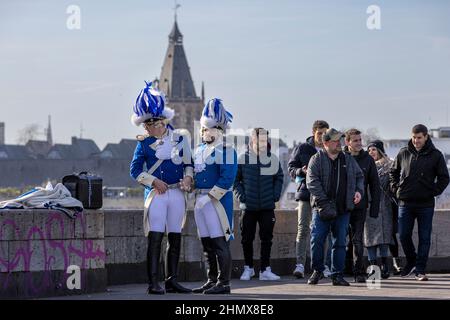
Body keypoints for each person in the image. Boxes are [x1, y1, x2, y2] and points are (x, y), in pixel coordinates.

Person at [130, 81, 193, 295]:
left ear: (160, 122)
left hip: (176, 193)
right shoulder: (144, 144)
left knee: (174, 237)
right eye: (146, 126)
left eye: (150, 125)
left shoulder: (180, 139)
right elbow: (135, 170)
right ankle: (153, 282)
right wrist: (152, 181)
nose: (147, 128)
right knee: (155, 238)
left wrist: (188, 179)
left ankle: (171, 280)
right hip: (156, 194)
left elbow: (189, 164)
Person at [389, 124, 449, 281]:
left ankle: (420, 270)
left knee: (425, 238)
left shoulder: (436, 155)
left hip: (426, 204)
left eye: (419, 138)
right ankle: (412, 260)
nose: (416, 141)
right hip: (405, 202)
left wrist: (434, 191)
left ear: (426, 137)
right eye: (414, 137)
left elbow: (444, 177)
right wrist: (396, 189)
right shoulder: (403, 153)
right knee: (403, 235)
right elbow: (393, 173)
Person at [191, 98, 238, 294]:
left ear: (218, 130)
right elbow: (197, 175)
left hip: (216, 201)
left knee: (219, 242)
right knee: (206, 243)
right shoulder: (200, 150)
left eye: (207, 129)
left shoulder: (227, 150)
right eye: (203, 130)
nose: (204, 133)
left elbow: (227, 179)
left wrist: (208, 197)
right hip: (200, 201)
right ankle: (211, 279)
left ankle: (224, 282)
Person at [306, 128, 364, 286]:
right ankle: (317, 270)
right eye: (335, 141)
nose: (339, 143)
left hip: (343, 209)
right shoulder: (316, 159)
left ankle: (337, 274)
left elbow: (359, 176)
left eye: (340, 140)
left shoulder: (348, 159)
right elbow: (312, 182)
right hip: (321, 209)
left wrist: (359, 191)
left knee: (340, 243)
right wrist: (324, 203)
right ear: (325, 143)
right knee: (317, 239)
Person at [233, 128, 284, 281]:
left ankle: (265, 269)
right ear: (252, 139)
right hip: (248, 207)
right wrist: (242, 197)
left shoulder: (272, 159)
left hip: (267, 206)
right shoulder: (243, 158)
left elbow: (279, 177)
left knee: (266, 239)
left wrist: (275, 195)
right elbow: (235, 181)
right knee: (246, 238)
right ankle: (248, 268)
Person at [288, 120, 333, 278]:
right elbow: (291, 168)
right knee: (303, 229)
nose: (322, 137)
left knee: (324, 232)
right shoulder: (303, 148)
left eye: (324, 134)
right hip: (306, 194)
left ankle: (323, 266)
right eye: (319, 133)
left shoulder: (330, 149)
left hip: (324, 196)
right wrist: (301, 170)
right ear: (313, 132)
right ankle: (300, 265)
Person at [344, 129, 381, 283]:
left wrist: (374, 208)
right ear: (347, 142)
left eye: (360, 140)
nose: (359, 143)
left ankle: (359, 272)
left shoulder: (368, 160)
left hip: (360, 207)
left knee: (357, 240)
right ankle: (342, 269)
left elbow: (374, 185)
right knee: (341, 239)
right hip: (342, 207)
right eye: (355, 140)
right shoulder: (341, 158)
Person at [366, 140, 395, 279]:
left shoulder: (390, 166)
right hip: (369, 206)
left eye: (374, 149)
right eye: (369, 150)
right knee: (370, 238)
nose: (371, 152)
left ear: (380, 151)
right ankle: (373, 269)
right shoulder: (365, 166)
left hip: (385, 206)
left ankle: (385, 266)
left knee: (384, 237)